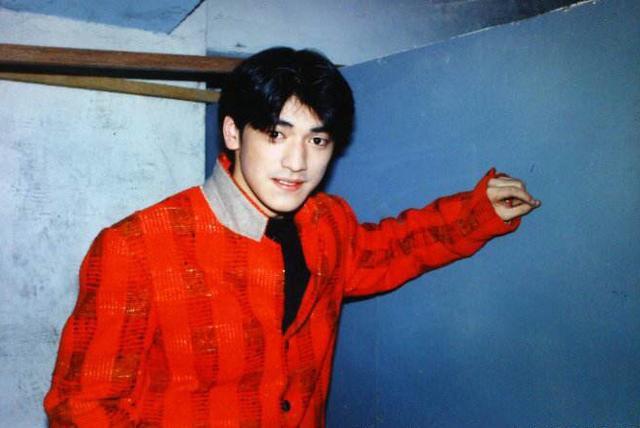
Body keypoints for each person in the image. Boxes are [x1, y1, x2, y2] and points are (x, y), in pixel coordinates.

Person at [44, 47, 540, 427]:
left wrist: (477, 212)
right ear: (234, 133)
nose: (298, 162)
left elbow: (390, 248)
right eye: (276, 134)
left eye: (316, 139)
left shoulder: (327, 223)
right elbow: (81, 409)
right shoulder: (135, 247)